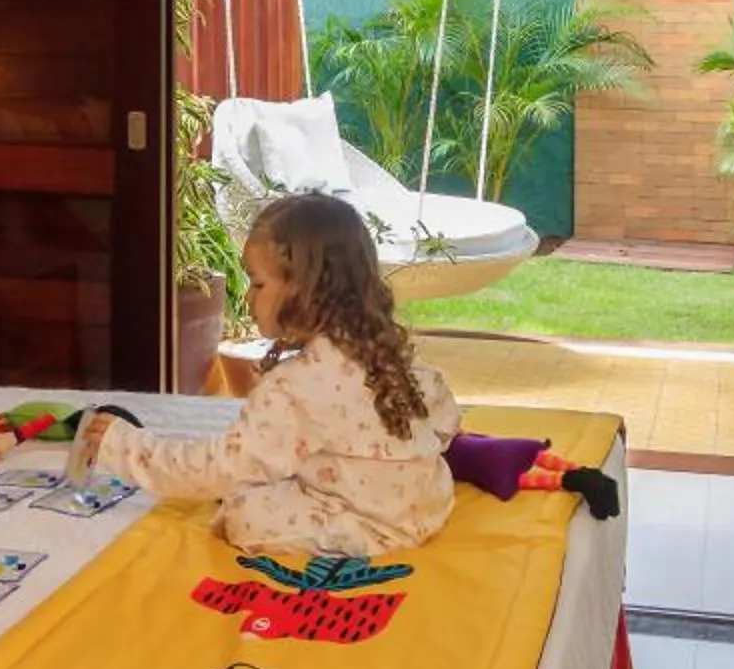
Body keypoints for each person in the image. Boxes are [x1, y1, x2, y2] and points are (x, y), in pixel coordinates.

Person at [81, 192, 456, 556]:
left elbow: (220, 469)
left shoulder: (297, 385)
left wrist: (126, 447)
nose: (248, 297)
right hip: (428, 505)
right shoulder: (384, 349)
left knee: (245, 512)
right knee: (273, 472)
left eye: (257, 283)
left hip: (372, 524)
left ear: (306, 290)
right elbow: (446, 419)